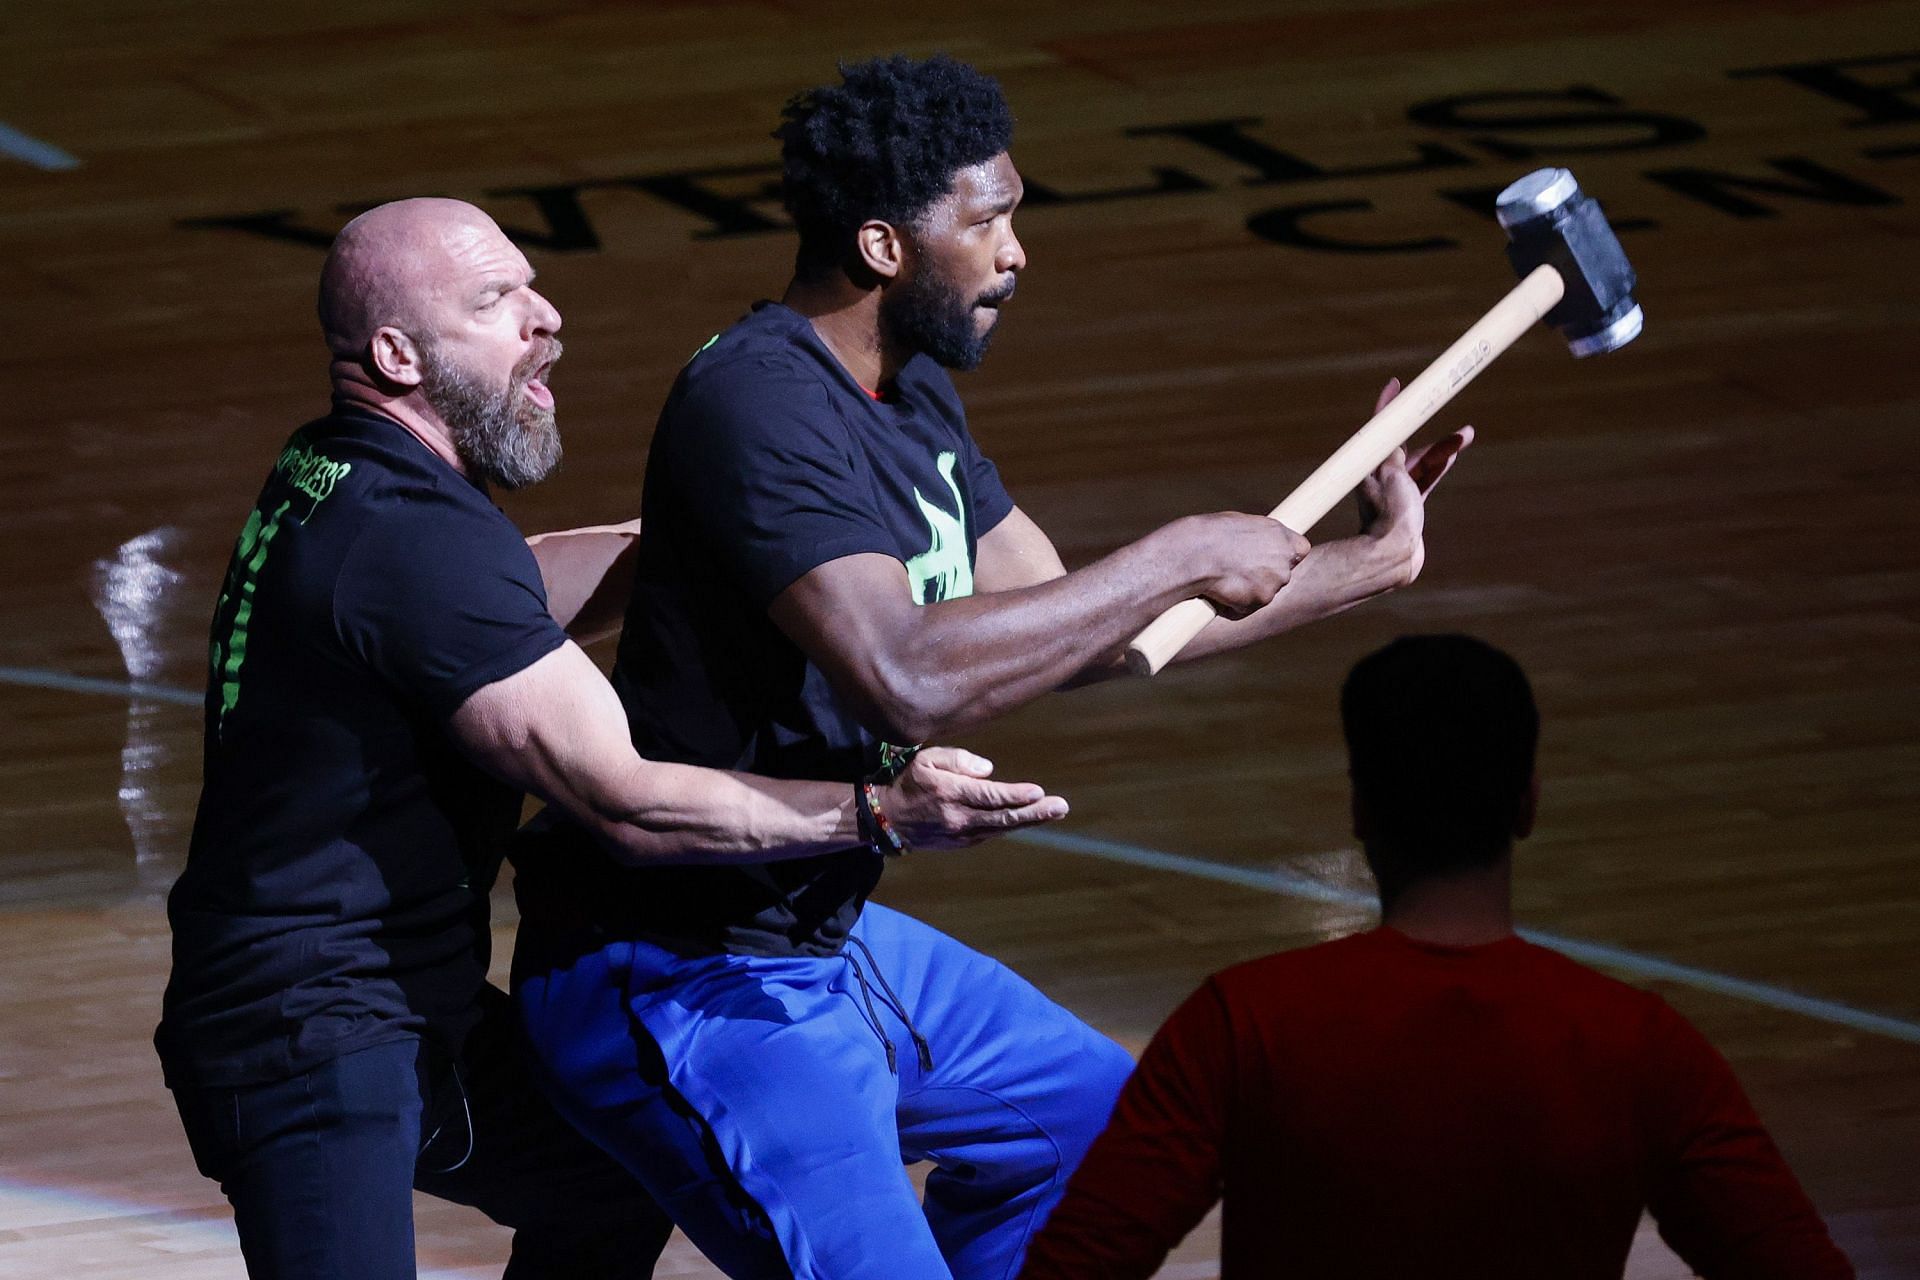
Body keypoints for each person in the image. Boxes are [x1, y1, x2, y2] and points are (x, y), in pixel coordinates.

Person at [508, 55, 1470, 1280]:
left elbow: (1092, 626)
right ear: (882, 245)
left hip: (815, 937)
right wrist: (1178, 547)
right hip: (676, 970)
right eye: (987, 220)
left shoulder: (910, 398)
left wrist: (1369, 564)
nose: (1019, 253)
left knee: (1106, 1134)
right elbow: (902, 676)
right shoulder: (757, 403)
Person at [153, 196, 1065, 1280]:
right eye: (497, 301)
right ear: (396, 352)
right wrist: (877, 812)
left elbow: (506, 588)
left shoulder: (345, 470)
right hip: (305, 1039)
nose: (547, 319)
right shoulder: (413, 545)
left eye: (532, 285)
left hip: (401, 1002)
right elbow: (628, 800)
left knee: (613, 1168)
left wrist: (747, 534)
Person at [1020, 634, 1855, 1280]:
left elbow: (1080, 1266)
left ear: (1359, 808)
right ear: (1527, 804)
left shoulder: (1244, 1025)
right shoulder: (1639, 1049)